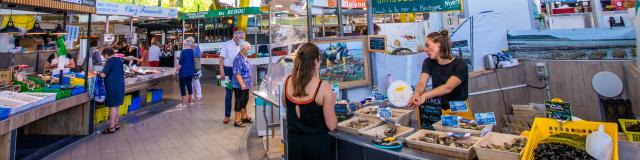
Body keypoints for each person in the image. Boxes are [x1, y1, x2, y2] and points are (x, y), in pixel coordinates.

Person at [282, 43, 337, 160]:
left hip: (294, 144)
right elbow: (332, 126)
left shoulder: (287, 81)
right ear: (316, 62)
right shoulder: (323, 86)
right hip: (317, 146)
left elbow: (285, 104)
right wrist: (332, 103)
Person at [409, 30, 474, 124]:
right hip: (440, 109)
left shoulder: (460, 64)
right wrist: (417, 93)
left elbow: (448, 87)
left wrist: (425, 95)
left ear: (439, 44)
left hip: (460, 111)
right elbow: (422, 83)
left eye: (428, 45)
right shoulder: (428, 62)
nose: (425, 49)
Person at [219, 30, 245, 124]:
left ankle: (239, 116)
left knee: (239, 94)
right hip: (228, 71)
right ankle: (227, 115)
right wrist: (222, 71)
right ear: (235, 36)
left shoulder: (242, 45)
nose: (242, 39)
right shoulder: (226, 44)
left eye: (242, 38)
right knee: (228, 94)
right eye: (240, 38)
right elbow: (221, 58)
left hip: (238, 71)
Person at [99, 48, 125, 134]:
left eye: (103, 56)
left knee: (112, 106)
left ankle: (111, 127)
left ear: (106, 55)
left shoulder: (110, 61)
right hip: (120, 85)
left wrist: (97, 73)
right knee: (116, 105)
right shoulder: (119, 60)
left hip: (112, 86)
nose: (104, 58)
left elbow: (103, 75)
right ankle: (116, 124)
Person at [231, 42, 253, 127]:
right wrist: (242, 84)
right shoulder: (237, 59)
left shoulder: (245, 57)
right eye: (248, 50)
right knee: (239, 101)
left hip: (246, 84)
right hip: (239, 85)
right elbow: (237, 73)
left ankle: (244, 116)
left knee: (245, 100)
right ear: (243, 49)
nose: (248, 51)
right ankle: (237, 120)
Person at [176, 38, 196, 107]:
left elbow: (180, 63)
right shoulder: (192, 51)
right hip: (190, 71)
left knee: (182, 86)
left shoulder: (183, 52)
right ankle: (190, 100)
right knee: (189, 84)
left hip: (183, 72)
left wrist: (176, 70)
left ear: (184, 44)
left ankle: (183, 102)